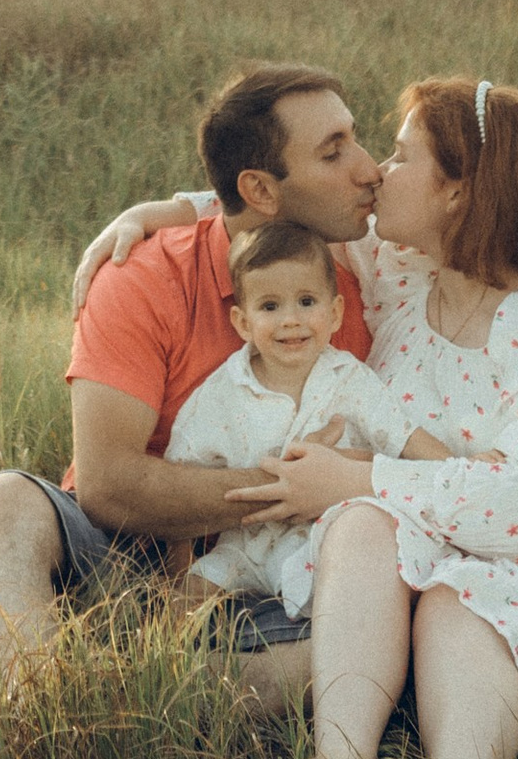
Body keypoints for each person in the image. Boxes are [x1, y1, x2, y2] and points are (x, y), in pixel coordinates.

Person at [90, 75, 518, 759]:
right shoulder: (403, 270)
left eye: (401, 156)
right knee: (362, 524)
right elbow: (274, 209)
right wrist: (160, 212)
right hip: (413, 552)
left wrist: (360, 477)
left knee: (455, 594)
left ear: (458, 192)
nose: (374, 171)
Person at [0, 60, 384, 698]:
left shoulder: (345, 297)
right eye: (334, 152)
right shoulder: (142, 276)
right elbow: (107, 486)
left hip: (265, 576)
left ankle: (134, 691)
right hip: (120, 550)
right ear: (260, 190)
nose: (369, 168)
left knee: (361, 642)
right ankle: (37, 697)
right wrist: (289, 486)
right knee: (9, 501)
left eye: (356, 140)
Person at [165, 217, 450, 635]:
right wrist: (179, 569)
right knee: (184, 598)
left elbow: (403, 435)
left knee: (343, 607)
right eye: (270, 307)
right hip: (244, 546)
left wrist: (461, 468)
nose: (290, 320)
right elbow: (182, 479)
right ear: (243, 323)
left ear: (334, 313)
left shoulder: (348, 379)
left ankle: (330, 644)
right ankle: (166, 659)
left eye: (306, 301)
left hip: (317, 541)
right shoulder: (225, 390)